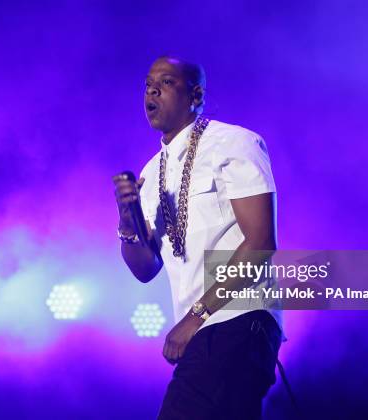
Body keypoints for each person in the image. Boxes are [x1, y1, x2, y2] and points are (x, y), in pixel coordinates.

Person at [113, 56, 284, 420]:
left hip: (237, 320)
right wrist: (127, 219)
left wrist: (195, 317)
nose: (152, 90)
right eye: (147, 84)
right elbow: (145, 269)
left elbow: (260, 243)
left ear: (196, 94)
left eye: (167, 82)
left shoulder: (234, 143)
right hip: (201, 335)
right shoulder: (150, 173)